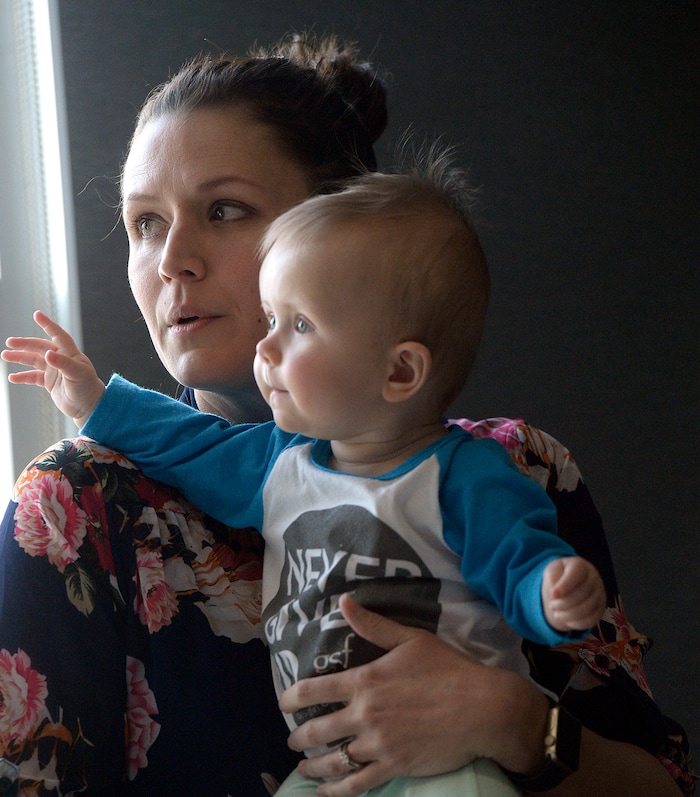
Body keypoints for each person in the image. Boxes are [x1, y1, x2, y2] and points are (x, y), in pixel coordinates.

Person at [0, 33, 692, 797]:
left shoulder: (517, 468)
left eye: (224, 210)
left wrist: (514, 720)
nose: (172, 261)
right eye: (145, 224)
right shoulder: (80, 508)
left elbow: (661, 786)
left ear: (336, 226)